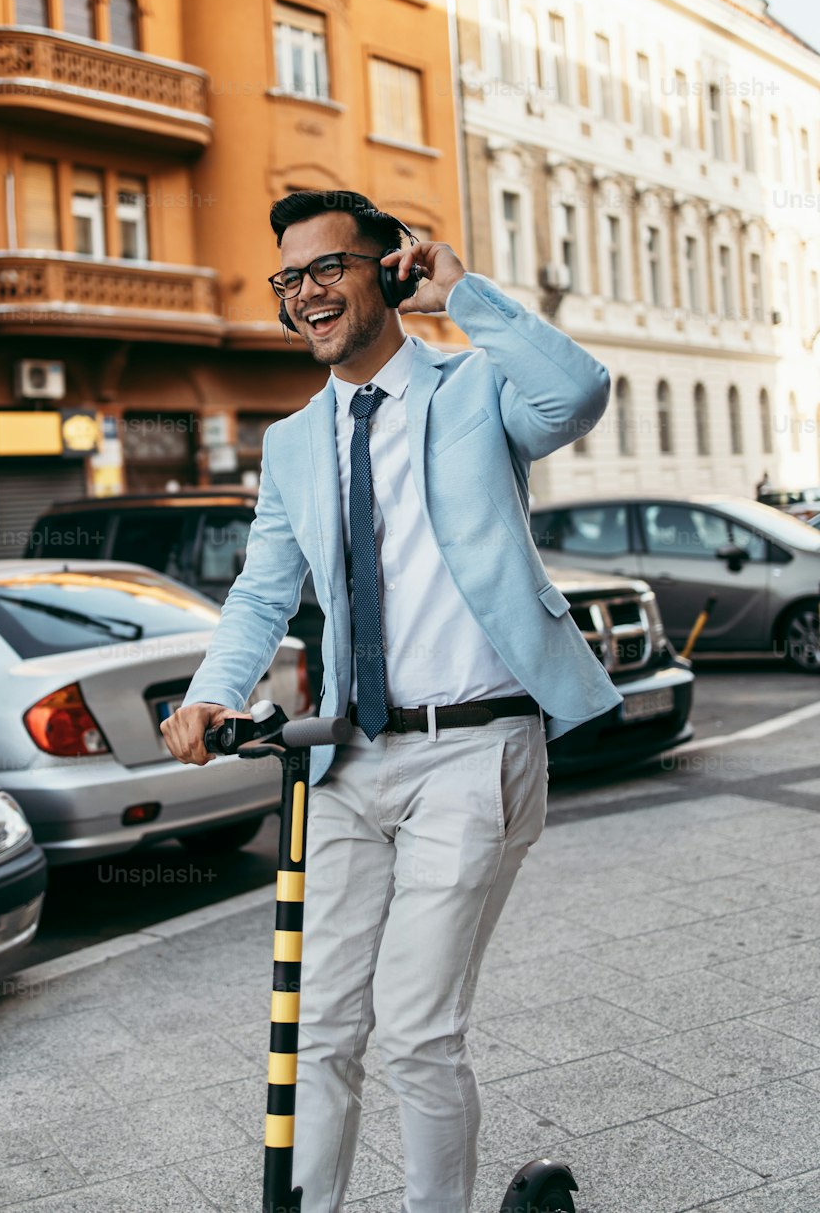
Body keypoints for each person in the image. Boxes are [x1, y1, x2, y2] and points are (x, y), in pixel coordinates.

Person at [162, 190, 622, 1213]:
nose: (305, 295)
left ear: (389, 269)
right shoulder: (291, 443)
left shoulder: (476, 388)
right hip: (345, 760)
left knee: (416, 1031)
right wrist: (212, 690)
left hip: (473, 748)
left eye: (327, 268)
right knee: (319, 1026)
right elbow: (263, 589)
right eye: (289, 280)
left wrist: (464, 290)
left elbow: (579, 393)